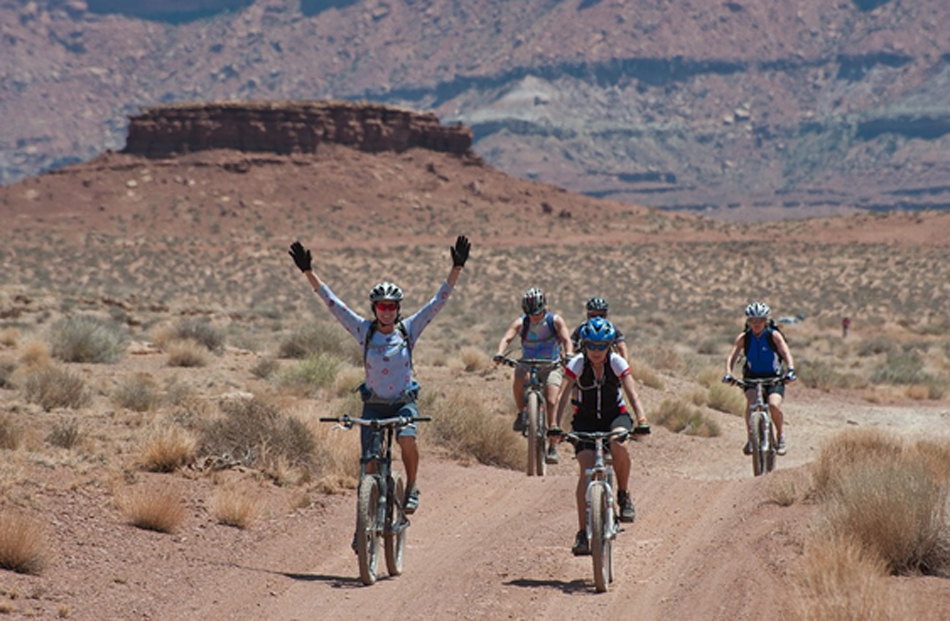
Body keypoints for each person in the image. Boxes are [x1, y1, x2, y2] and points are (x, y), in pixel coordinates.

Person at [289, 235, 471, 515]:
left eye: (392, 306)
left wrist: (456, 268)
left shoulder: (408, 329)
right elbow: (333, 304)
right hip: (373, 404)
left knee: (406, 439)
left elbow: (438, 302)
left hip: (403, 402)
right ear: (374, 309)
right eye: (382, 306)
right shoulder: (364, 330)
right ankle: (365, 525)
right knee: (369, 464)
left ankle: (411, 486)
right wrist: (308, 272)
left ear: (398, 310)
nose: (387, 311)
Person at [550, 317, 650, 556]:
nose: (596, 351)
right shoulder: (577, 363)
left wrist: (642, 419)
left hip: (615, 416)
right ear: (584, 345)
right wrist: (554, 425)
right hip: (585, 419)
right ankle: (583, 532)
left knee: (619, 445)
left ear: (609, 345)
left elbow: (632, 393)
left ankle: (623, 495)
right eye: (591, 346)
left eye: (602, 345)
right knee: (585, 472)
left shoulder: (616, 362)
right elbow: (562, 395)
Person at [493, 287, 573, 464]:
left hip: (551, 364)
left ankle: (552, 443)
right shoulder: (522, 322)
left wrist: (568, 355)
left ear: (544, 307)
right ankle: (522, 412)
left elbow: (567, 340)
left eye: (537, 312)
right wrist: (500, 353)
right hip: (528, 362)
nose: (534, 316)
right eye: (530, 313)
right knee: (519, 378)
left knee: (552, 399)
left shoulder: (555, 321)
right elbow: (507, 338)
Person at [722, 301, 797, 457]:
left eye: (760, 320)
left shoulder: (773, 335)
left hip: (774, 377)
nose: (756, 324)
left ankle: (780, 436)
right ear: (748, 321)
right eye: (753, 320)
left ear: (766, 321)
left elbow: (786, 353)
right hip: (752, 377)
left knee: (773, 405)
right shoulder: (744, 338)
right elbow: (732, 356)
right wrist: (728, 373)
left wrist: (790, 370)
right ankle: (751, 438)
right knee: (751, 403)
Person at [570, 296, 629, 361]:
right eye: (593, 316)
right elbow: (571, 344)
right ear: (588, 315)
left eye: (601, 315)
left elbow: (621, 346)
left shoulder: (611, 328)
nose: (597, 318)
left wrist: (625, 362)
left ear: (606, 315)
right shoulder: (582, 328)